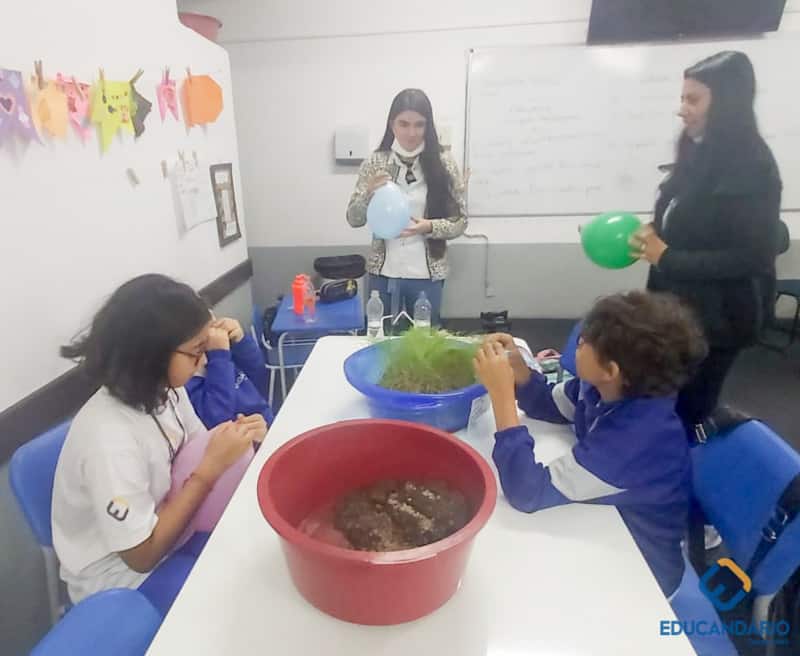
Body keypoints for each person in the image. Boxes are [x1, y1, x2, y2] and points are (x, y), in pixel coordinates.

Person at [52, 274, 267, 615]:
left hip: (173, 529)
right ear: (150, 355)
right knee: (235, 601)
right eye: (197, 351)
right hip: (122, 579)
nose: (204, 362)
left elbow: (198, 447)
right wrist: (211, 469)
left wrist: (240, 436)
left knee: (259, 557)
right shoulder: (108, 440)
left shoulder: (166, 391)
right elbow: (142, 556)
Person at [474, 291, 708, 597]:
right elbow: (551, 404)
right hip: (603, 529)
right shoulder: (605, 389)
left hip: (640, 575)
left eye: (585, 342)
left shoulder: (638, 439)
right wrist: (521, 375)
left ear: (611, 370)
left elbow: (527, 491)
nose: (577, 343)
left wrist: (502, 397)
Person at [630, 51, 782, 442]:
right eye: (682, 97)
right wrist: (656, 230)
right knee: (659, 400)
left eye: (693, 99)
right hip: (675, 312)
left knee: (688, 412)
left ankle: (687, 466)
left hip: (717, 321)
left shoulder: (753, 166)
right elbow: (691, 217)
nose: (682, 109)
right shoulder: (697, 149)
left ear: (727, 102)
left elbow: (752, 256)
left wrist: (667, 256)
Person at [346, 88, 466, 325]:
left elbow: (461, 221)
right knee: (381, 338)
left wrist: (429, 227)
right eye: (404, 124)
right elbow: (354, 219)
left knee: (424, 341)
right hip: (383, 273)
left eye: (419, 125)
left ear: (428, 126)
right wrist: (368, 194)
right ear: (392, 125)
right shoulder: (375, 162)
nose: (411, 133)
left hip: (427, 275)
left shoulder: (444, 163)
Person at [185, 316, 274, 429]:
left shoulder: (220, 347)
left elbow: (258, 372)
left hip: (265, 420)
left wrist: (241, 342)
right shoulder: (184, 382)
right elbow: (217, 418)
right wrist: (219, 356)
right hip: (243, 434)